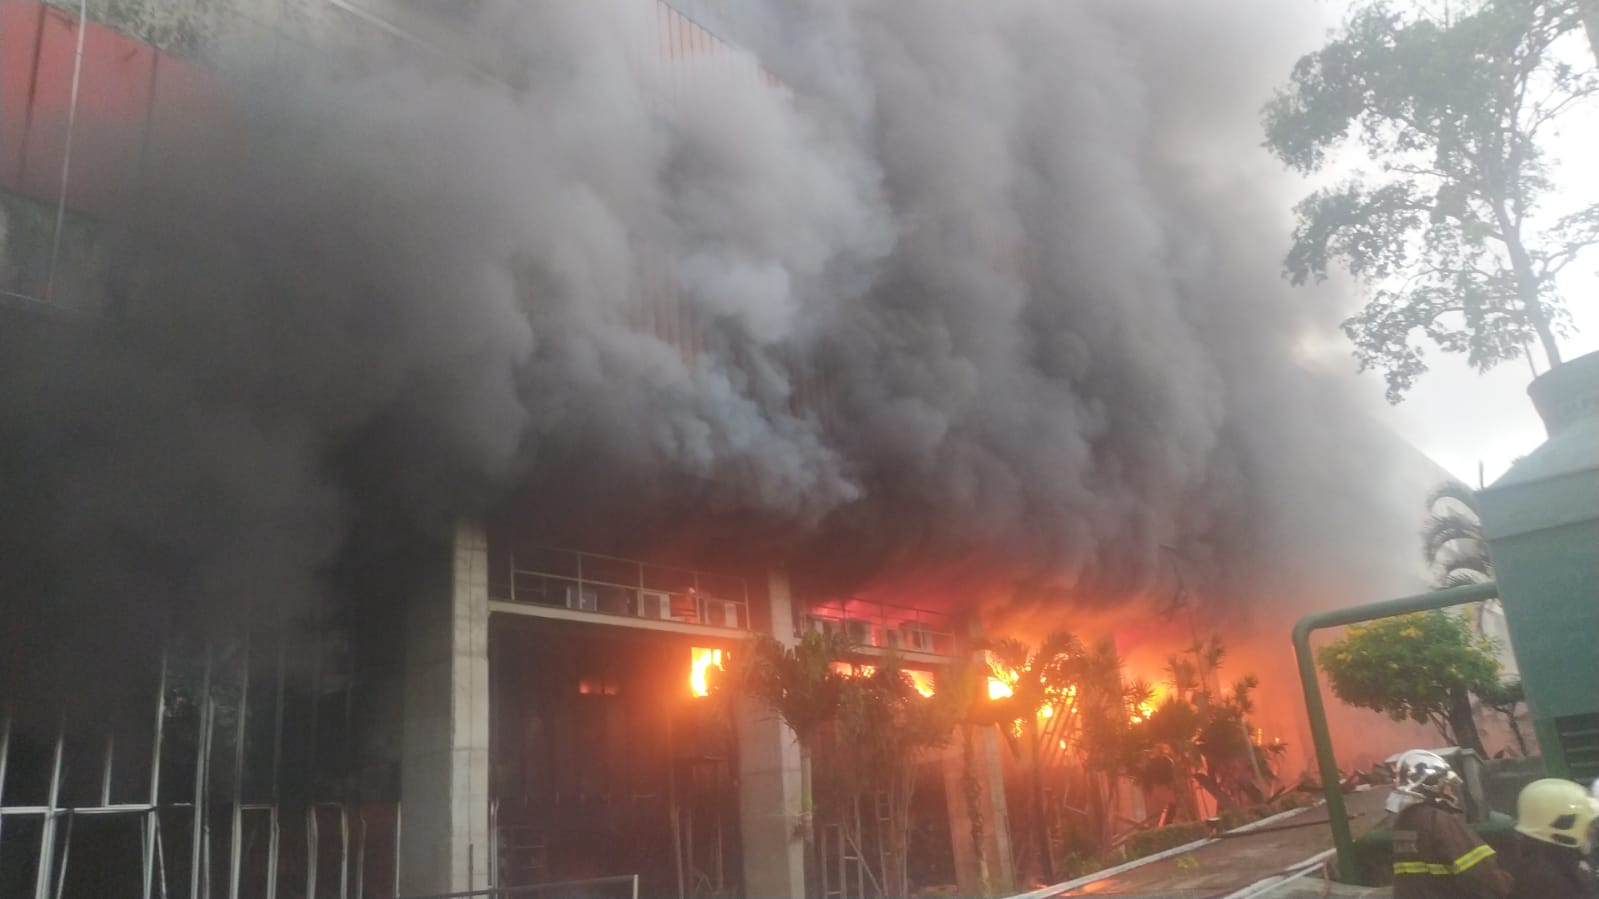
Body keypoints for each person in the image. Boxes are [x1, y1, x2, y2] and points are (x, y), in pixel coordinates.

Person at [1387, 748, 1513, 898]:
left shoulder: (1403, 821)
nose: (1449, 791)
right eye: (1446, 784)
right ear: (1431, 785)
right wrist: (1505, 885)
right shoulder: (1437, 819)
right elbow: (1477, 870)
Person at [1503, 778, 1599, 899]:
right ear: (1564, 825)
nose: (1592, 830)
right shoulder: (1544, 881)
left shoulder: (1559, 861)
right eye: (1588, 824)